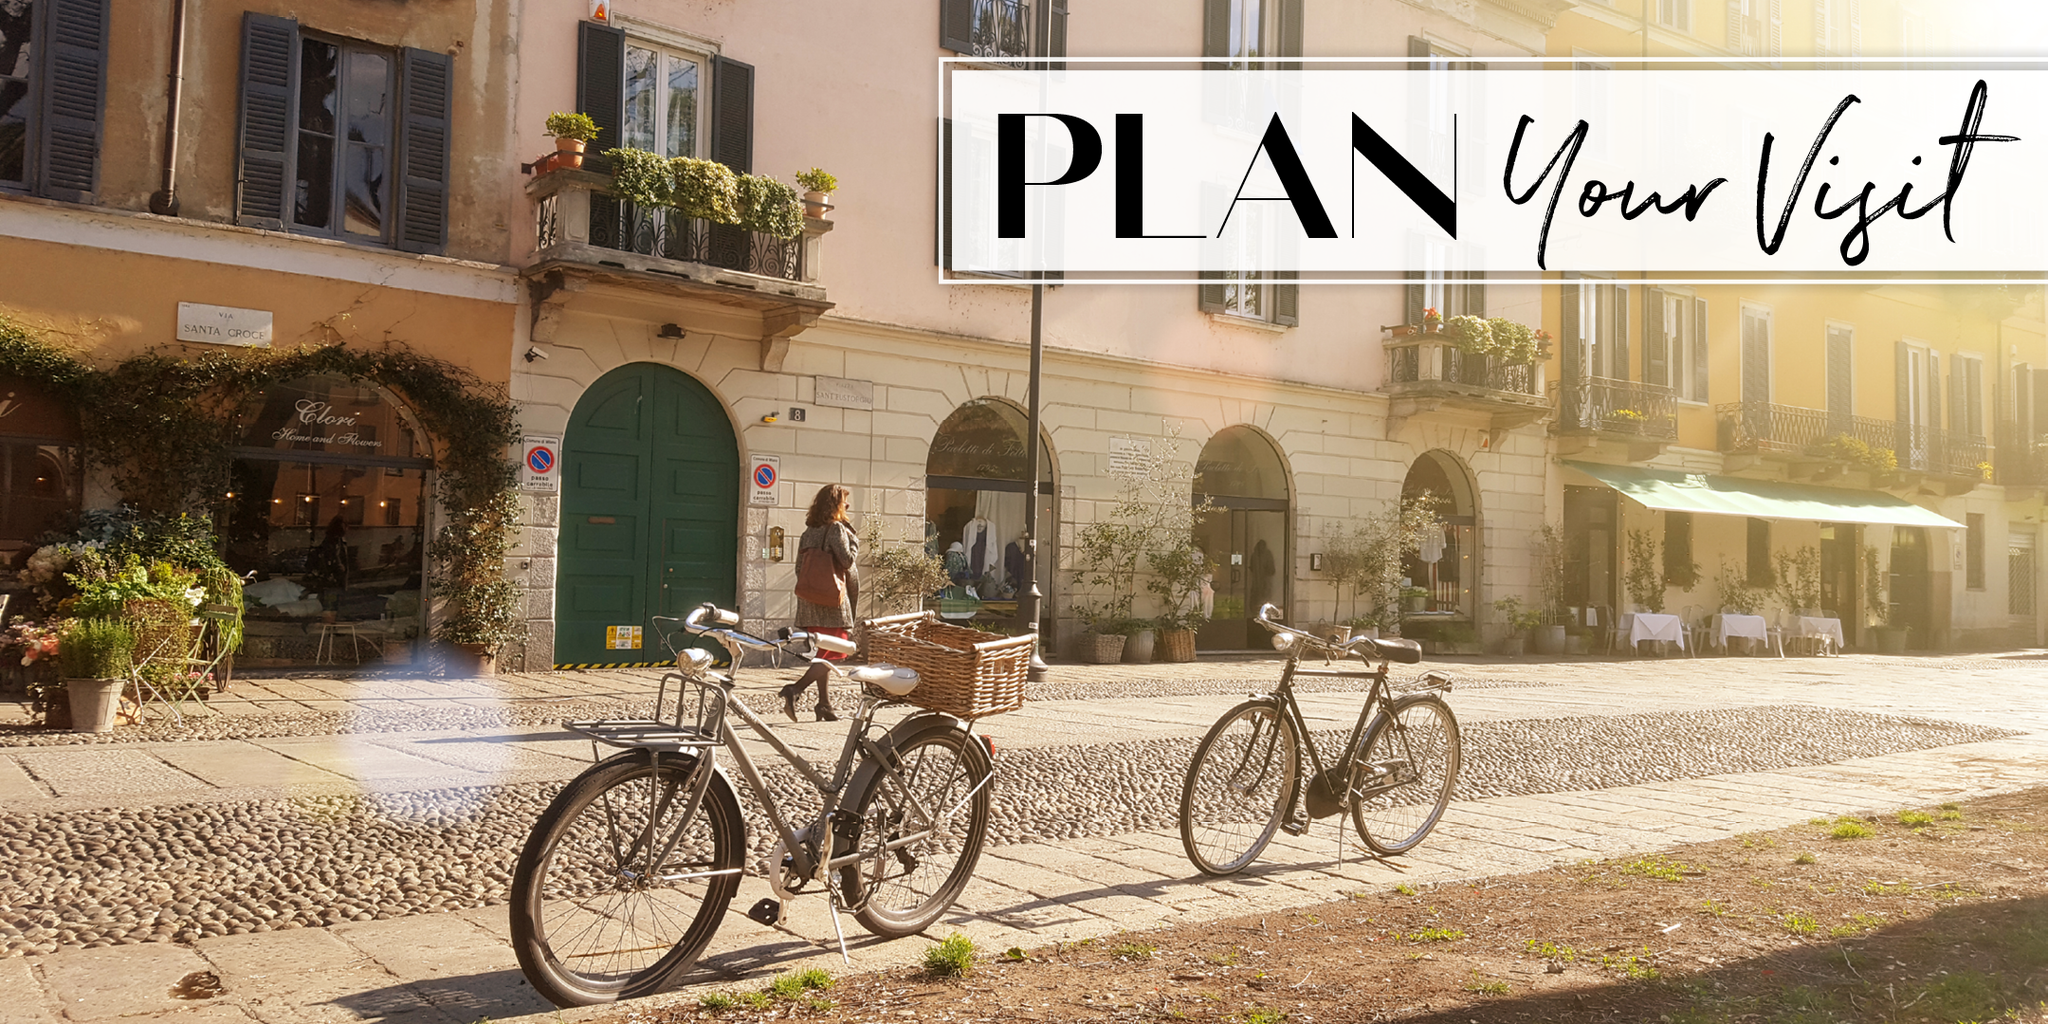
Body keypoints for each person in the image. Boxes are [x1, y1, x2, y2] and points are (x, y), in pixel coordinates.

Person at [781, 484, 859, 721]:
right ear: (836, 505)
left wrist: (814, 590)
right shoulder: (836, 529)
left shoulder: (808, 532)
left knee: (823, 653)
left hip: (811, 600)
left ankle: (824, 705)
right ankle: (794, 689)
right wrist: (853, 539)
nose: (847, 506)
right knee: (836, 651)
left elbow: (799, 568)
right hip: (832, 603)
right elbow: (847, 561)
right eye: (844, 502)